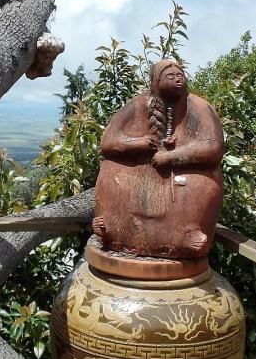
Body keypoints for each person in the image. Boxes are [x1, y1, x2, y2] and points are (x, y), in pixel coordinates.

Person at [93, 59, 224, 259]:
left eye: (180, 76)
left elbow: (212, 147)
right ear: (156, 81)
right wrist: (138, 144)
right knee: (114, 172)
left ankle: (186, 235)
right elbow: (109, 141)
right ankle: (111, 228)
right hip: (140, 175)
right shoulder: (137, 105)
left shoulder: (199, 107)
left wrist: (172, 156)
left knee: (197, 185)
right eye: (170, 76)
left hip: (181, 178)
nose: (177, 79)